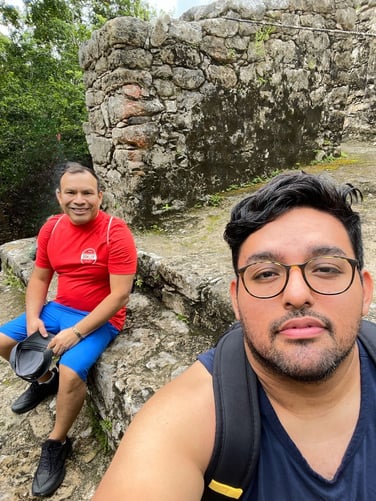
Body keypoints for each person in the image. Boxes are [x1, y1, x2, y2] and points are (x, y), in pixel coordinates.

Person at [93, 171, 375, 500]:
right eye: (266, 273)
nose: (297, 294)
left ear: (365, 290)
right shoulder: (181, 424)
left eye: (326, 268)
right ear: (236, 300)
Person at [0, 161, 137, 497]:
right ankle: (46, 380)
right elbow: (40, 277)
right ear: (59, 197)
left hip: (99, 317)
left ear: (100, 196)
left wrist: (76, 333)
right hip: (57, 310)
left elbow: (119, 295)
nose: (80, 199)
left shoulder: (114, 232)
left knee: (74, 373)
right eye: (71, 193)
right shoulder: (51, 229)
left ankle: (57, 441)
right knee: (3, 341)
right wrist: (33, 317)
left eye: (87, 193)